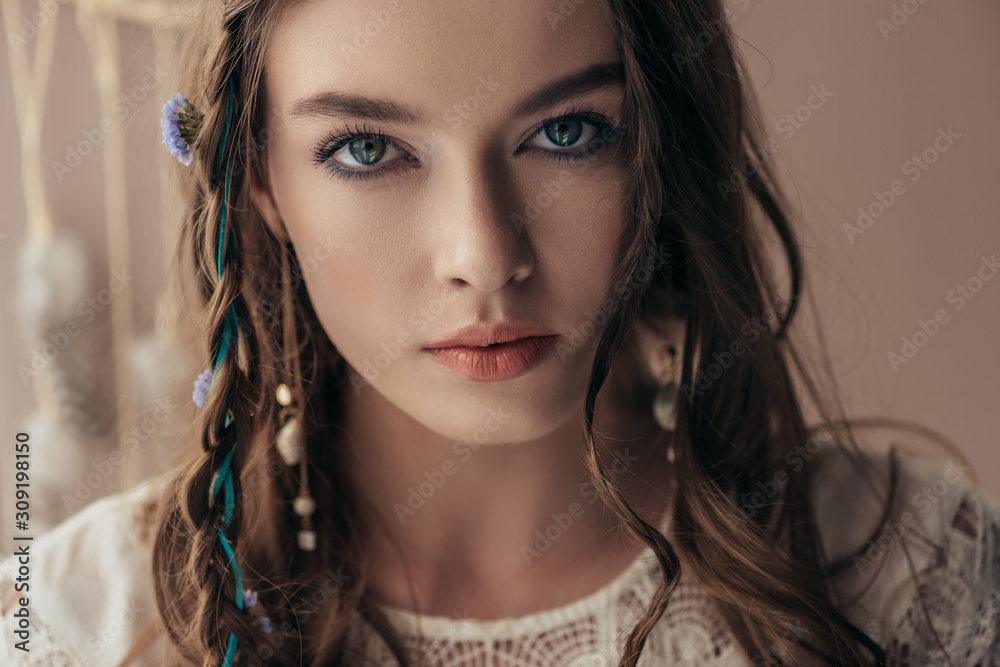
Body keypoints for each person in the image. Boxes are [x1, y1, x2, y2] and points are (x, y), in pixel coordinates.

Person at [2, 0, 999, 665]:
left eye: (565, 132)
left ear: (657, 145)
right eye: (366, 149)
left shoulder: (910, 574)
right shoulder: (69, 621)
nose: (483, 254)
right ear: (258, 181)